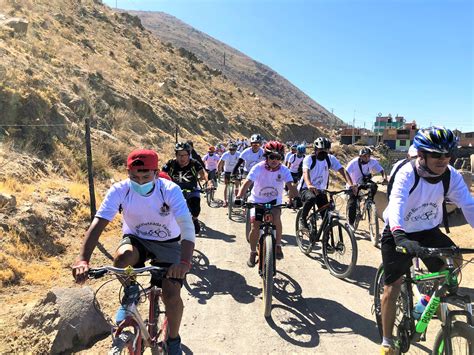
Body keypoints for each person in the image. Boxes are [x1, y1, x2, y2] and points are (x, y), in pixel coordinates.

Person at [72, 149, 195, 355]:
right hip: (137, 240)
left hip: (169, 242)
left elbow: (187, 227)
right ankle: (131, 293)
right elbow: (99, 223)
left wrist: (184, 262)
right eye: (134, 176)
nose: (139, 181)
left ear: (156, 173)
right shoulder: (120, 190)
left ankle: (173, 339)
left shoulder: (169, 190)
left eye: (145, 176)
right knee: (121, 258)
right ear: (127, 172)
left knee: (171, 294)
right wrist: (83, 258)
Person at [379, 127, 474, 354]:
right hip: (397, 229)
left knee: (453, 262)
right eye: (436, 154)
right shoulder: (406, 173)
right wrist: (400, 235)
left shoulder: (451, 175)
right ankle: (386, 341)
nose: (443, 160)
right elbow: (398, 203)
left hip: (427, 228)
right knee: (393, 286)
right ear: (422, 155)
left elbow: (469, 205)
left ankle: (425, 301)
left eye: (447, 154)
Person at [235, 141, 301, 263]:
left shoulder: (284, 170)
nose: (274, 160)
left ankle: (278, 245)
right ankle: (253, 252)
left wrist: (296, 198)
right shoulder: (258, 167)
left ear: (281, 158)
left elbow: (291, 185)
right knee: (255, 226)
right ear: (266, 156)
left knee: (276, 219)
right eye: (272, 157)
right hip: (257, 200)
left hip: (274, 201)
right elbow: (247, 182)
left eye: (278, 157)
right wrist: (239, 197)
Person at [298, 137, 353, 230]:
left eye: (325, 150)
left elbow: (342, 170)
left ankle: (326, 240)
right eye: (320, 150)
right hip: (306, 188)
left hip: (321, 190)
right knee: (311, 198)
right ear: (315, 150)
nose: (323, 152)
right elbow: (305, 172)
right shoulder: (309, 159)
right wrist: (309, 185)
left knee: (326, 216)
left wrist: (351, 184)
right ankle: (302, 219)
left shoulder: (330, 159)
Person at [162, 142, 211, 235]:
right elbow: (161, 174)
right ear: (176, 155)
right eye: (179, 155)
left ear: (189, 154)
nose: (182, 158)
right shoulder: (171, 163)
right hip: (174, 191)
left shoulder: (194, 163)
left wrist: (209, 182)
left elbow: (203, 173)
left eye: (185, 155)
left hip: (192, 189)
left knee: (195, 208)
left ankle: (195, 219)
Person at [345, 147, 388, 227]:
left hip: (364, 182)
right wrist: (351, 184)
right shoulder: (353, 162)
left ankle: (369, 202)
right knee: (353, 201)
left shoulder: (373, 161)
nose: (367, 158)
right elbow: (346, 172)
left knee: (373, 186)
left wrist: (384, 178)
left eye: (368, 156)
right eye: (364, 156)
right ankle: (350, 223)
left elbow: (382, 170)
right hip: (354, 183)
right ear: (360, 156)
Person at [217, 142, 241, 207]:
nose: (232, 151)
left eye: (233, 150)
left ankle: (237, 199)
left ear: (236, 149)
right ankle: (225, 201)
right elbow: (220, 163)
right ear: (228, 149)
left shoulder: (239, 154)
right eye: (230, 150)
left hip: (236, 171)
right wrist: (219, 171)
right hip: (227, 172)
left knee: (237, 185)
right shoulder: (225, 154)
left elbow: (243, 161)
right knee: (226, 185)